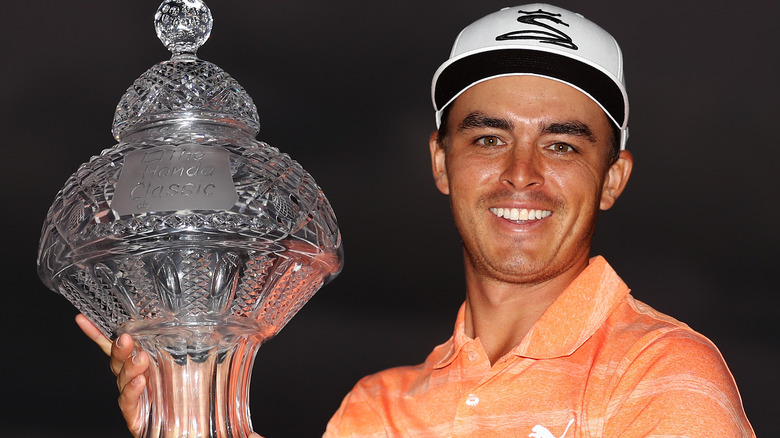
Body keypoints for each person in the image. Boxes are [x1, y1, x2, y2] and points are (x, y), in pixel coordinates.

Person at [80, 3, 755, 437]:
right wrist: (187, 410)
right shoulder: (380, 410)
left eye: (562, 144)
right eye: (489, 138)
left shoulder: (662, 373)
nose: (522, 174)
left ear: (612, 178)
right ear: (440, 163)